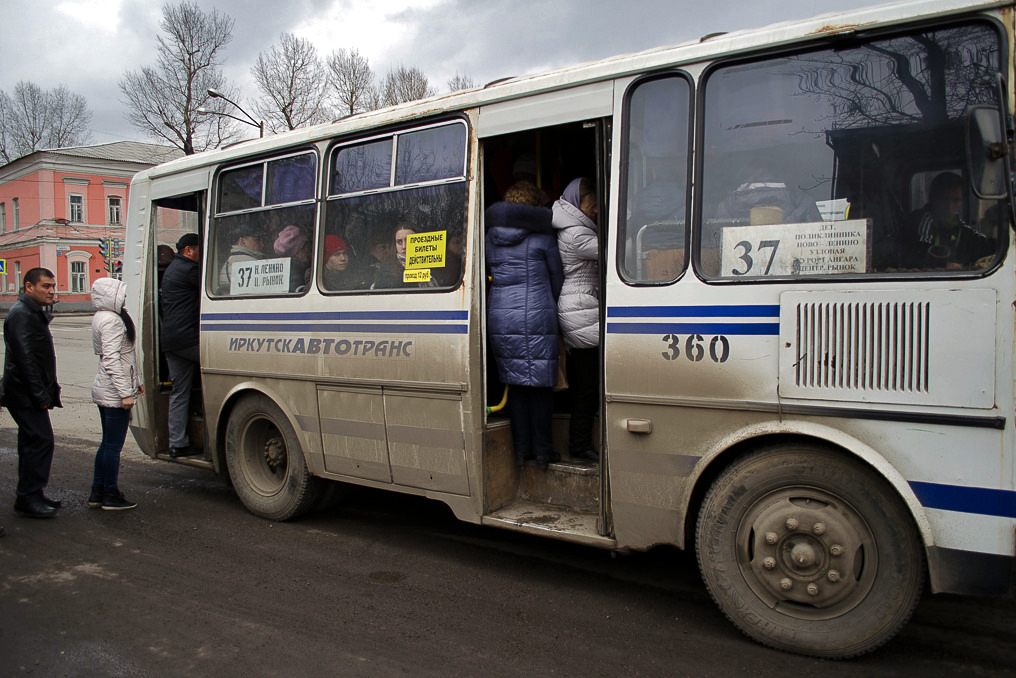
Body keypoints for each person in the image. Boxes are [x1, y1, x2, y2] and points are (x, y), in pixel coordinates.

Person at [486, 181, 564, 466]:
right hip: (537, 316)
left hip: (500, 317)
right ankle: (543, 451)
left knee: (516, 385)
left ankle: (521, 451)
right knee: (541, 386)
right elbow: (558, 281)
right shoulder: (543, 239)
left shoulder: (489, 239)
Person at [1, 267, 62, 518]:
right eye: (46, 286)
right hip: (24, 393)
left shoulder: (30, 312)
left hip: (27, 392)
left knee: (31, 442)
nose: (51, 291)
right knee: (41, 441)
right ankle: (29, 497)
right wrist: (39, 395)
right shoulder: (22, 314)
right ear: (28, 287)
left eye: (53, 286)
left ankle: (31, 495)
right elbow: (25, 360)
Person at [553, 178, 601, 462]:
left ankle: (581, 443)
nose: (594, 210)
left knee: (588, 383)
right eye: (590, 205)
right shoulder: (576, 234)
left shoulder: (578, 228)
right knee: (587, 387)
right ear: (576, 204)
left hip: (583, 307)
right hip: (580, 310)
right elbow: (614, 250)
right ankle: (579, 445)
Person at [88, 277, 142, 511]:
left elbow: (124, 356)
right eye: (121, 293)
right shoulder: (112, 320)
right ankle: (110, 494)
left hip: (108, 389)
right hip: (113, 393)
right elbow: (112, 360)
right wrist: (125, 393)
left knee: (107, 444)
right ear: (110, 296)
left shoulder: (104, 316)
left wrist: (136, 381)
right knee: (112, 447)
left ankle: (97, 492)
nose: (125, 298)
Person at [160, 233, 202, 459]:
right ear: (188, 250)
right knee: (220, 371)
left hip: (172, 339)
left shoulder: (172, 269)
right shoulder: (189, 270)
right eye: (199, 250)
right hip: (188, 339)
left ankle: (177, 443)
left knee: (179, 393)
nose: (201, 255)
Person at [905, 171, 993, 269]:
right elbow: (920, 252)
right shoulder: (919, 221)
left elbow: (981, 244)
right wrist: (943, 265)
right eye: (944, 199)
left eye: (956, 200)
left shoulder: (960, 228)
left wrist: (991, 224)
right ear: (932, 198)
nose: (949, 206)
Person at [217, 223, 265, 293]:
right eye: (257, 240)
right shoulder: (251, 263)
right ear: (242, 242)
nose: (262, 244)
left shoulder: (229, 261)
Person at [273, 224, 311, 292]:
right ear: (297, 252)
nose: (309, 252)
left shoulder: (282, 270)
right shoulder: (298, 273)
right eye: (306, 248)